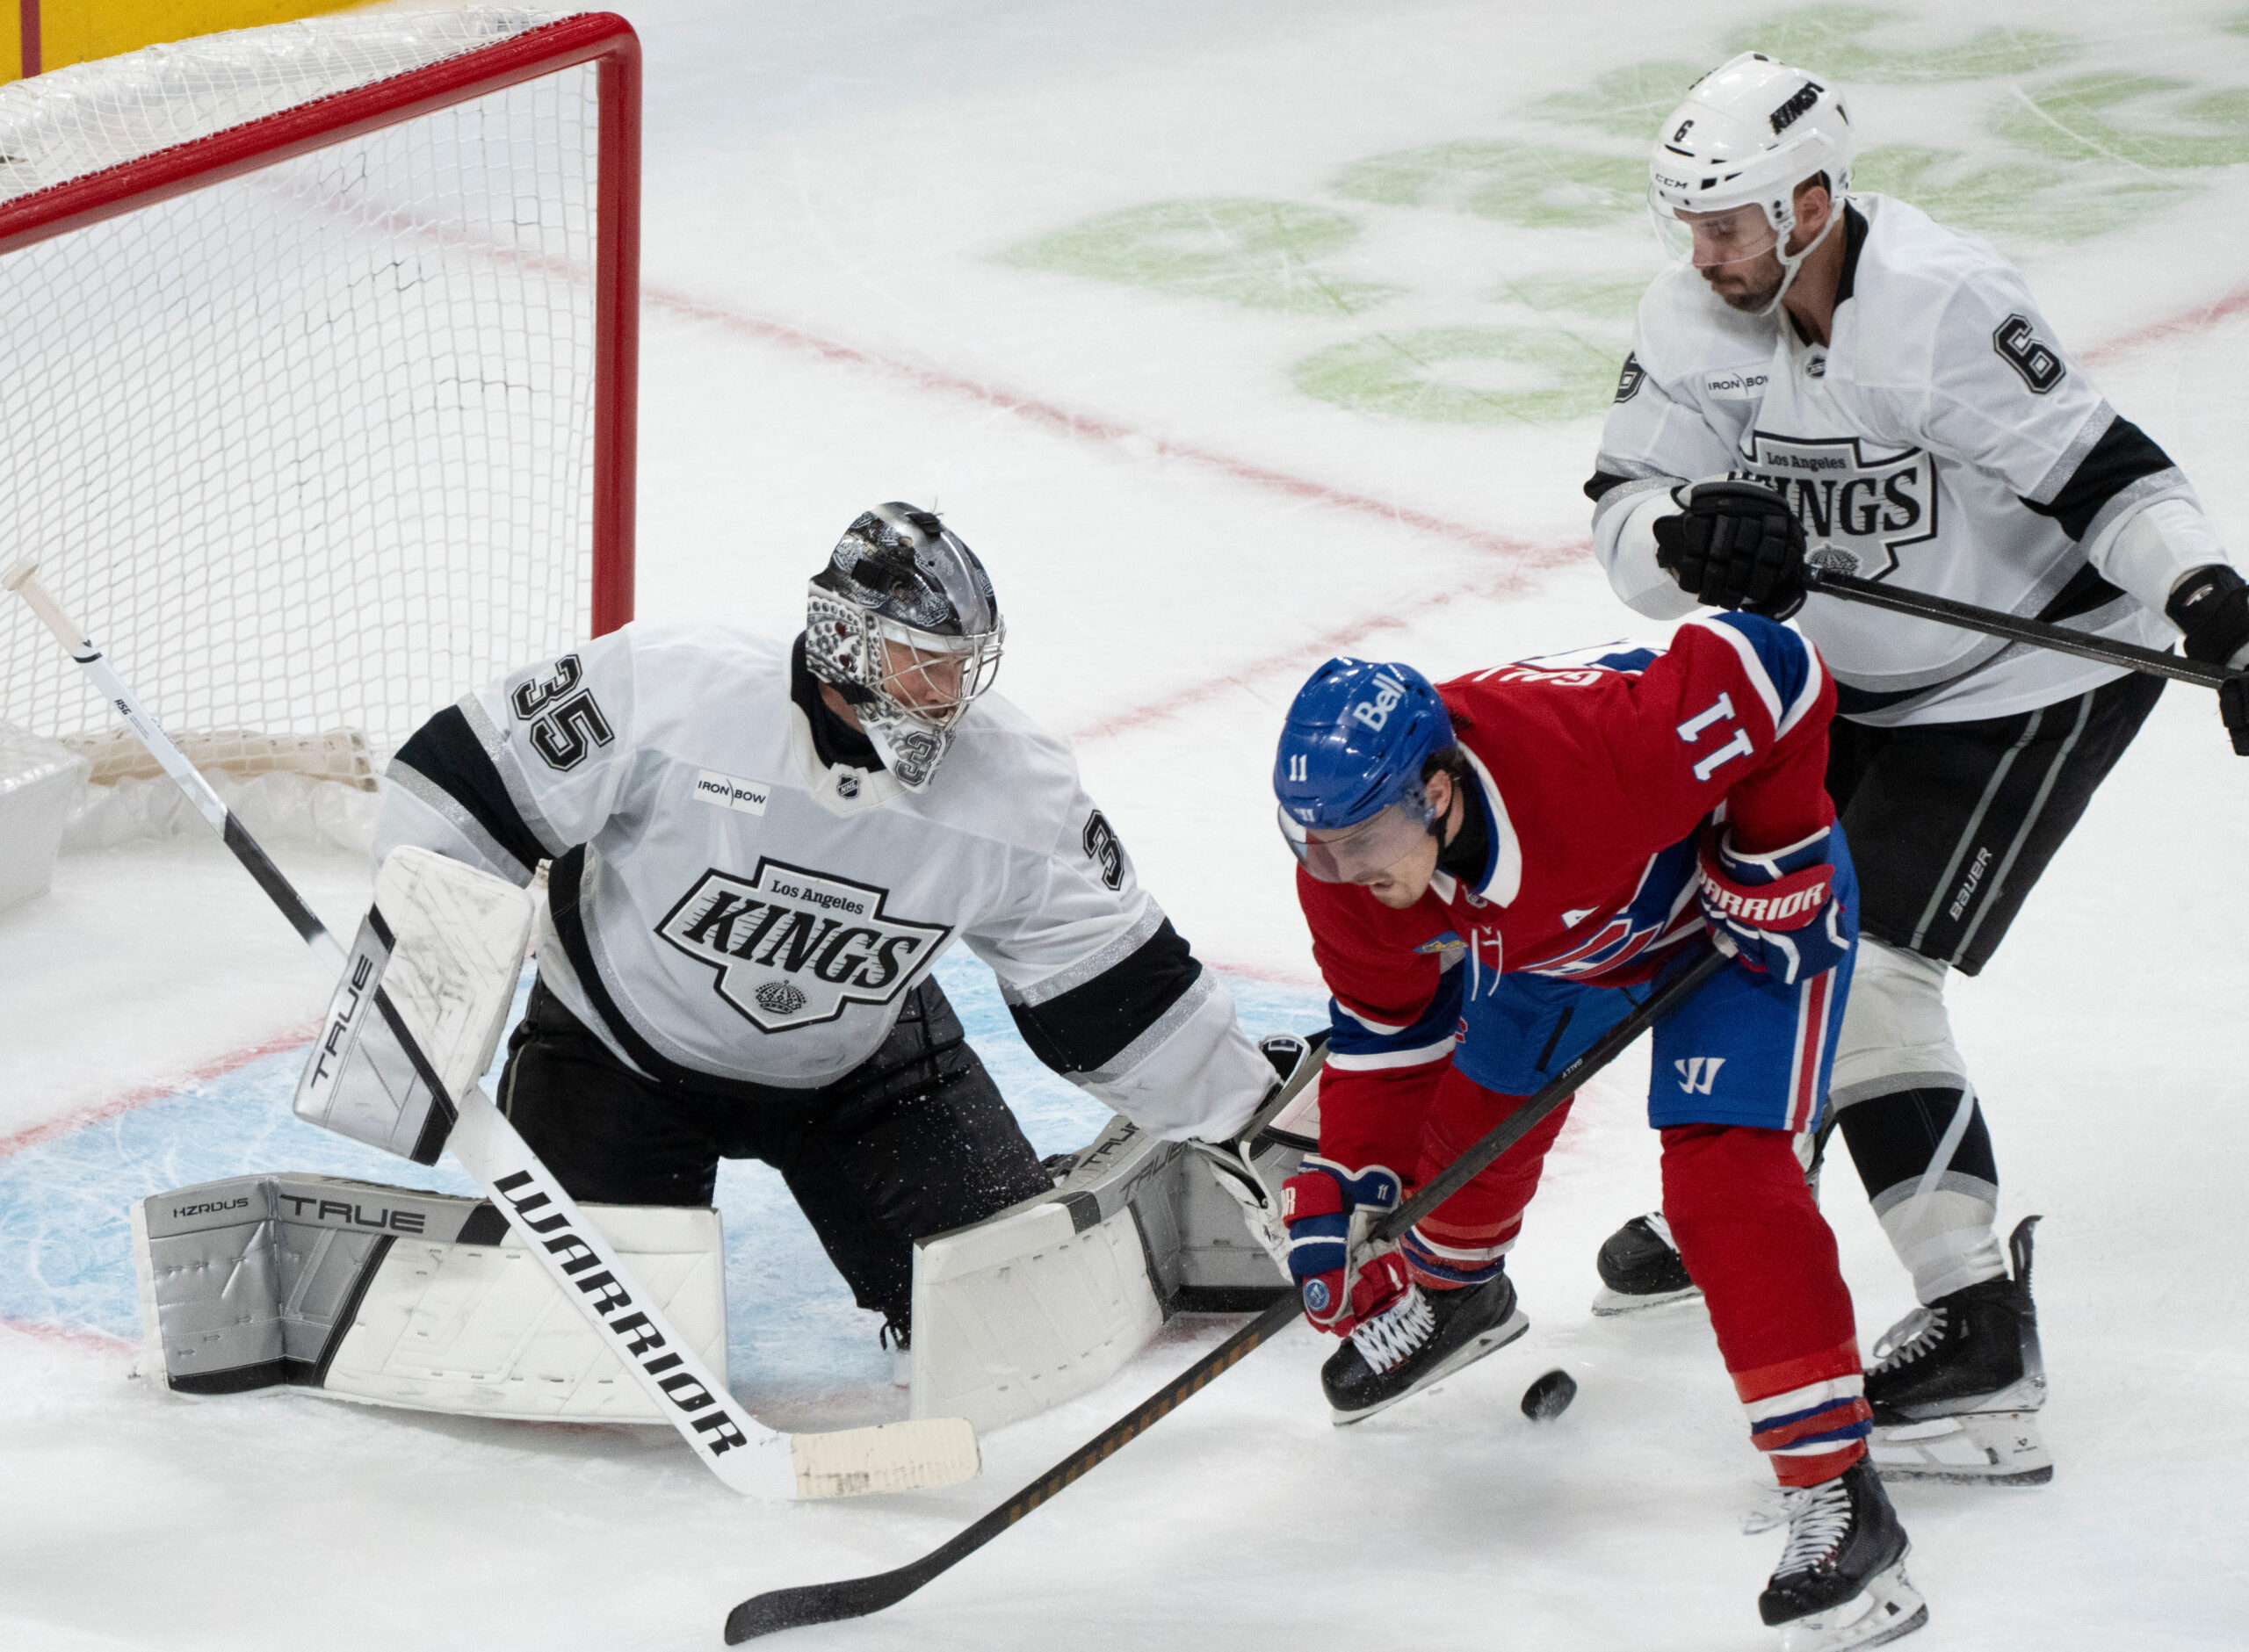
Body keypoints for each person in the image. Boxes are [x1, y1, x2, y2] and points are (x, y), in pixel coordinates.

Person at [1582, 52, 2249, 1482]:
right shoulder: (1691, 314)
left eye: (1732, 222)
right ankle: (1765, 1200)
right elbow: (1626, 513)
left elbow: (2109, 477)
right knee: (1749, 929)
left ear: (1813, 201)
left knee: (1871, 968)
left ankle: (1975, 1321)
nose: (1704, 252)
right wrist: (1690, 535)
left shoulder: (1942, 303)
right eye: (1691, 223)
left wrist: (2212, 600)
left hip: (2039, 668)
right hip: (1857, 683)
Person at [372, 501, 1279, 1357]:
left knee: (1010, 1322)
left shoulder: (1015, 785)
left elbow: (1120, 990)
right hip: (617, 1057)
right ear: (845, 638)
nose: (949, 691)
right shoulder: (673, 685)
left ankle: (1001, 1193)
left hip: (865, 1070)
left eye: (962, 664)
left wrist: (1256, 1128)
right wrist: (423, 1000)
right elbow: (456, 792)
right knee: (584, 1348)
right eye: (926, 659)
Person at [1272, 623, 1927, 1649]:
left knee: (1725, 1188)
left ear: (1436, 793)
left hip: (1731, 930)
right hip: (1558, 947)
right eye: (1310, 841)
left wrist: (1778, 844)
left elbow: (1774, 668)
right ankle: (1455, 1293)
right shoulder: (1348, 871)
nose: (1333, 869)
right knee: (1473, 1101)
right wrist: (1351, 1176)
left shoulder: (1592, 748)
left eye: (1356, 840)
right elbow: (1390, 1030)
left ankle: (1839, 1497)